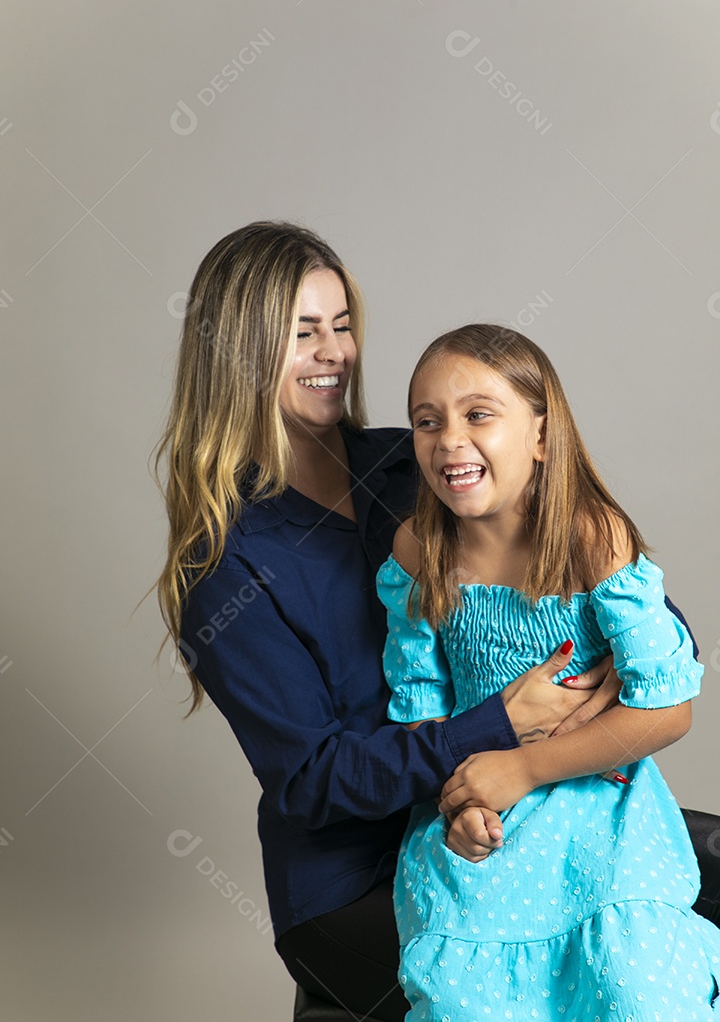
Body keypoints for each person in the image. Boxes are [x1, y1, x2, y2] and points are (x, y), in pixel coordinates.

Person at [153, 222, 693, 1022]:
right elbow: (312, 781)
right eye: (303, 333)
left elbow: (620, 604)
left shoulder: (413, 462)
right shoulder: (227, 563)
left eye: (341, 326)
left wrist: (601, 684)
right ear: (237, 350)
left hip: (537, 809)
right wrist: (499, 727)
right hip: (356, 875)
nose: (334, 352)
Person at [378, 323, 720, 1020]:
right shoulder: (417, 551)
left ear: (540, 435)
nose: (448, 440)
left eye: (478, 414)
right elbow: (422, 710)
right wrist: (466, 802)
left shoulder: (592, 539)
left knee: (638, 989)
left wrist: (527, 769)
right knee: (470, 1002)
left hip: (602, 807)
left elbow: (669, 708)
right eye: (426, 421)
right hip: (478, 813)